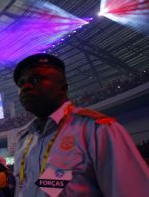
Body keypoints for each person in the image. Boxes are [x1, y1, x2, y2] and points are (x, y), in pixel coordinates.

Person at [12, 53, 149, 196]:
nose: (26, 87)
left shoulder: (96, 130)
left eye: (36, 79)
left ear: (63, 88)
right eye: (21, 84)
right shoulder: (24, 141)